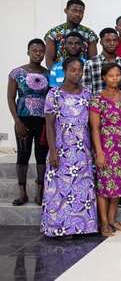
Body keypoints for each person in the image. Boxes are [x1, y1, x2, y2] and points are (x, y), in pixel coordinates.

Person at [41, 57, 98, 237]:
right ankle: (57, 227)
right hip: (61, 148)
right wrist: (53, 151)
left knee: (81, 189)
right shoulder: (54, 94)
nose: (77, 73)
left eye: (80, 70)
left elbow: (92, 125)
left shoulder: (88, 93)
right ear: (64, 71)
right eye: (73, 70)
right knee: (59, 189)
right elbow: (49, 125)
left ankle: (82, 227)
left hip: (83, 150)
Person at [89, 63, 121, 237]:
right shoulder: (98, 99)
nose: (115, 78)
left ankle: (112, 220)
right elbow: (94, 128)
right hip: (106, 149)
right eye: (111, 75)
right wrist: (100, 153)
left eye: (117, 75)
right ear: (104, 77)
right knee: (104, 187)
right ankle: (103, 224)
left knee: (118, 186)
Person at [7, 39, 50, 206]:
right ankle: (22, 193)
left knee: (41, 155)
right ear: (28, 52)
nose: (38, 53)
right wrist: (17, 121)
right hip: (23, 119)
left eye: (41, 51)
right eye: (34, 50)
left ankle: (40, 193)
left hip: (43, 120)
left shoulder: (47, 74)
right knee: (23, 155)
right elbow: (10, 98)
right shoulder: (16, 73)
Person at [44, 0, 98, 69]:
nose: (77, 14)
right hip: (59, 75)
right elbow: (49, 60)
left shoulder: (89, 34)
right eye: (74, 11)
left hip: (82, 75)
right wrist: (58, 74)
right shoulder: (53, 33)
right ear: (66, 11)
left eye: (81, 12)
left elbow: (92, 61)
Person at [81, 28, 121, 95]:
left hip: (119, 104)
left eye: (115, 40)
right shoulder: (90, 64)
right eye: (108, 41)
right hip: (97, 104)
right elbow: (86, 90)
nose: (112, 43)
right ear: (101, 42)